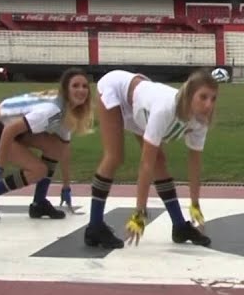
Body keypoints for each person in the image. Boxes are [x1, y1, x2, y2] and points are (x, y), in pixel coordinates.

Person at [83, 68, 218, 249]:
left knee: (160, 161)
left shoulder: (201, 121)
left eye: (213, 98)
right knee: (114, 156)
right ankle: (94, 226)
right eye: (203, 97)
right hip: (116, 89)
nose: (208, 104)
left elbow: (194, 164)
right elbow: (146, 165)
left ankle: (179, 226)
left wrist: (195, 204)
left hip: (141, 105)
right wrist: (140, 212)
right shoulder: (165, 110)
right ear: (190, 95)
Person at [0, 68, 94, 222]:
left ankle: (38, 203)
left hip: (12, 124)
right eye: (75, 86)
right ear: (66, 89)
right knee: (38, 170)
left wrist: (66, 186)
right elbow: (9, 130)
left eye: (84, 86)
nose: (81, 90)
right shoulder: (53, 111)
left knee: (54, 148)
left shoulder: (66, 109)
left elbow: (63, 148)